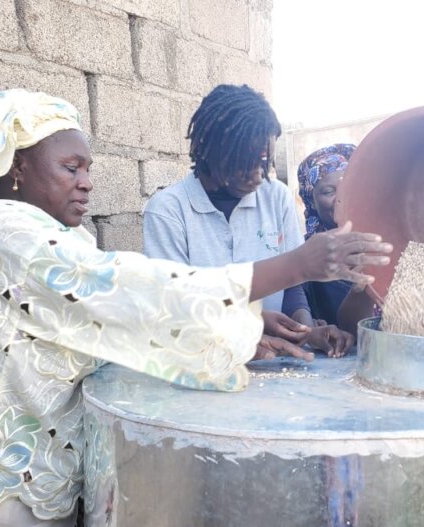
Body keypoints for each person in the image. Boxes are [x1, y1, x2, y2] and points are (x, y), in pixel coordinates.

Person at [0, 89, 390, 527]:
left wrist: (247, 319)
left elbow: (101, 325)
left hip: (22, 480)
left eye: (88, 169)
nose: (87, 184)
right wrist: (295, 265)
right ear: (17, 166)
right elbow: (136, 294)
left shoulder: (47, 232)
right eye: (71, 168)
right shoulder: (4, 232)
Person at [143, 84, 355, 359]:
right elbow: (175, 310)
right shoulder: (168, 211)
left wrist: (303, 331)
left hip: (275, 368)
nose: (257, 176)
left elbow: (292, 286)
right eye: (244, 162)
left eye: (264, 163)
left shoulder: (275, 196)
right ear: (209, 152)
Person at [297, 144, 359, 326]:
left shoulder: (384, 241)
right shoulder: (306, 259)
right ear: (312, 202)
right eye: (328, 191)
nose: (341, 197)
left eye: (348, 187)